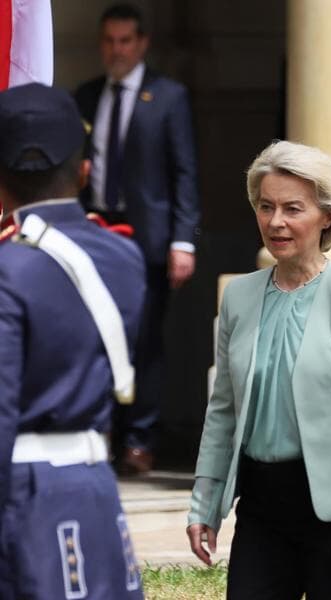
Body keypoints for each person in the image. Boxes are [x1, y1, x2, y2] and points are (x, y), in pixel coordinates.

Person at [186, 140, 331, 599]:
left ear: (326, 216)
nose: (276, 222)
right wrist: (204, 505)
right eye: (266, 207)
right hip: (262, 507)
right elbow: (222, 411)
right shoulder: (240, 297)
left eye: (292, 208)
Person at [0, 83, 146, 599]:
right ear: (84, 170)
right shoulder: (123, 259)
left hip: (21, 502)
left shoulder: (9, 268)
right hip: (95, 490)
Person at [75, 2, 201, 475]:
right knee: (95, 335)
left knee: (145, 338)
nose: (117, 49)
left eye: (125, 40)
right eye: (109, 40)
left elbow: (185, 171)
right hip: (93, 231)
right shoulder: (85, 97)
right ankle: (100, 430)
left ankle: (139, 440)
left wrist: (183, 241)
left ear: (142, 43)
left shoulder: (167, 96)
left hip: (148, 237)